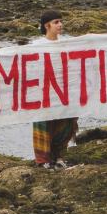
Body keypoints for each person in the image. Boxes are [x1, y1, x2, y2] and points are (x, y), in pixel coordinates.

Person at [31, 9, 78, 169]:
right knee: (44, 123)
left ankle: (58, 156)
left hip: (64, 90)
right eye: (56, 22)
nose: (60, 25)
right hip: (44, 91)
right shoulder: (36, 46)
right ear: (47, 26)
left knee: (66, 122)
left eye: (60, 21)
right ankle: (43, 160)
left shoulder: (66, 43)